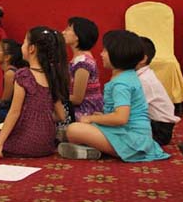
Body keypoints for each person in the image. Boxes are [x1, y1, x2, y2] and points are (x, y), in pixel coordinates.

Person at [58, 30, 170, 162]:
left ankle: (97, 150)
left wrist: (91, 118)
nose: (101, 54)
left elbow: (121, 118)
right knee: (79, 128)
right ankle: (91, 149)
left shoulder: (121, 84)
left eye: (105, 51)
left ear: (117, 55)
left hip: (132, 141)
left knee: (73, 129)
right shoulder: (126, 76)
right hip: (129, 134)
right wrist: (100, 117)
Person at [0, 26, 69, 161]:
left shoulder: (24, 75)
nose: (22, 46)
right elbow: (61, 115)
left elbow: (14, 112)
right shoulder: (52, 76)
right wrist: (42, 118)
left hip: (28, 141)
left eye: (24, 42)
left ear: (31, 49)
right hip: (47, 143)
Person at [137, 36, 180, 145]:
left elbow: (130, 111)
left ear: (142, 59)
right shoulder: (141, 75)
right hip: (151, 123)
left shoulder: (144, 81)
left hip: (159, 129)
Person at [62, 17, 103, 121]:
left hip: (85, 111)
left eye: (68, 29)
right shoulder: (78, 59)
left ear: (78, 36)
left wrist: (54, 95)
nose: (63, 32)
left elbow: (77, 99)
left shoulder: (83, 63)